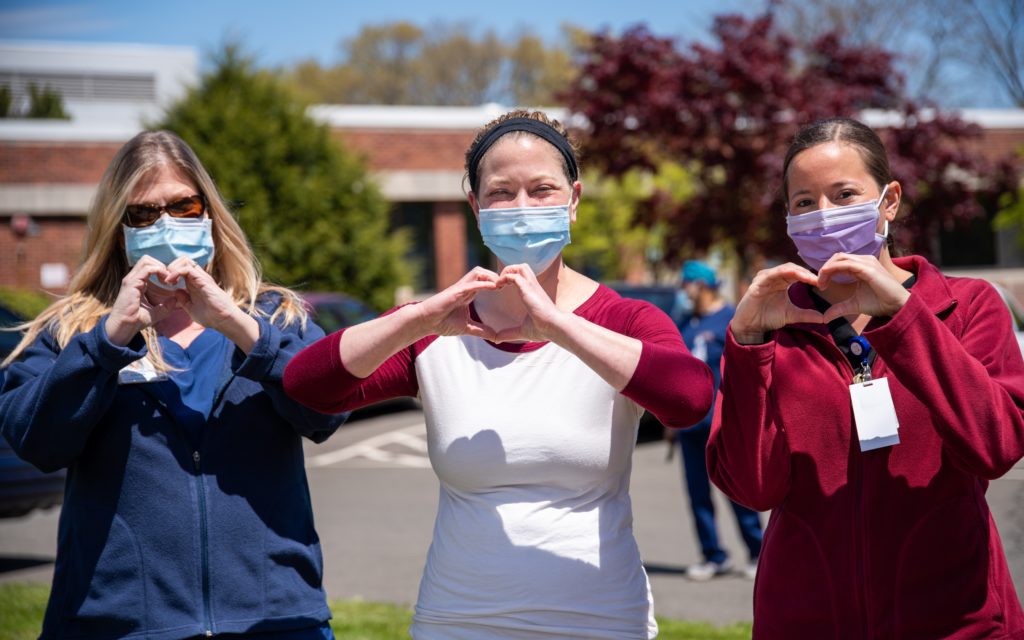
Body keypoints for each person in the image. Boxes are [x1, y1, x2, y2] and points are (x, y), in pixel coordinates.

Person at [283, 109, 714, 639]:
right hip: (456, 619)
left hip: (600, 620)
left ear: (573, 201)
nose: (522, 207)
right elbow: (309, 387)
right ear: (475, 206)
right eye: (502, 193)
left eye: (542, 190)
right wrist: (418, 317)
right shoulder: (439, 329)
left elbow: (689, 398)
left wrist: (557, 326)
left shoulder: (624, 320)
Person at [0, 131, 346, 639]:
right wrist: (110, 338)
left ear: (209, 213)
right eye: (143, 214)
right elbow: (37, 442)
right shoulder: (71, 330)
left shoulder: (275, 316)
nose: (166, 224)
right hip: (116, 624)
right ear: (118, 230)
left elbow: (326, 413)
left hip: (275, 622)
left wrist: (236, 324)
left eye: (184, 206)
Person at [706, 117, 1024, 638]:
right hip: (803, 621)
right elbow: (752, 487)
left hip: (957, 621)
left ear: (889, 200)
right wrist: (747, 345)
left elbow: (997, 445)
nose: (823, 216)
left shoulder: (967, 307)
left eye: (844, 194)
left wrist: (904, 318)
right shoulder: (772, 323)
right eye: (804, 202)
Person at [672, 260, 762, 581]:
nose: (683, 290)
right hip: (689, 426)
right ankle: (713, 555)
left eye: (687, 284)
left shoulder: (730, 319)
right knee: (697, 494)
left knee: (737, 491)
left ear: (703, 285)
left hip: (723, 425)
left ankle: (757, 552)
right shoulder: (685, 323)